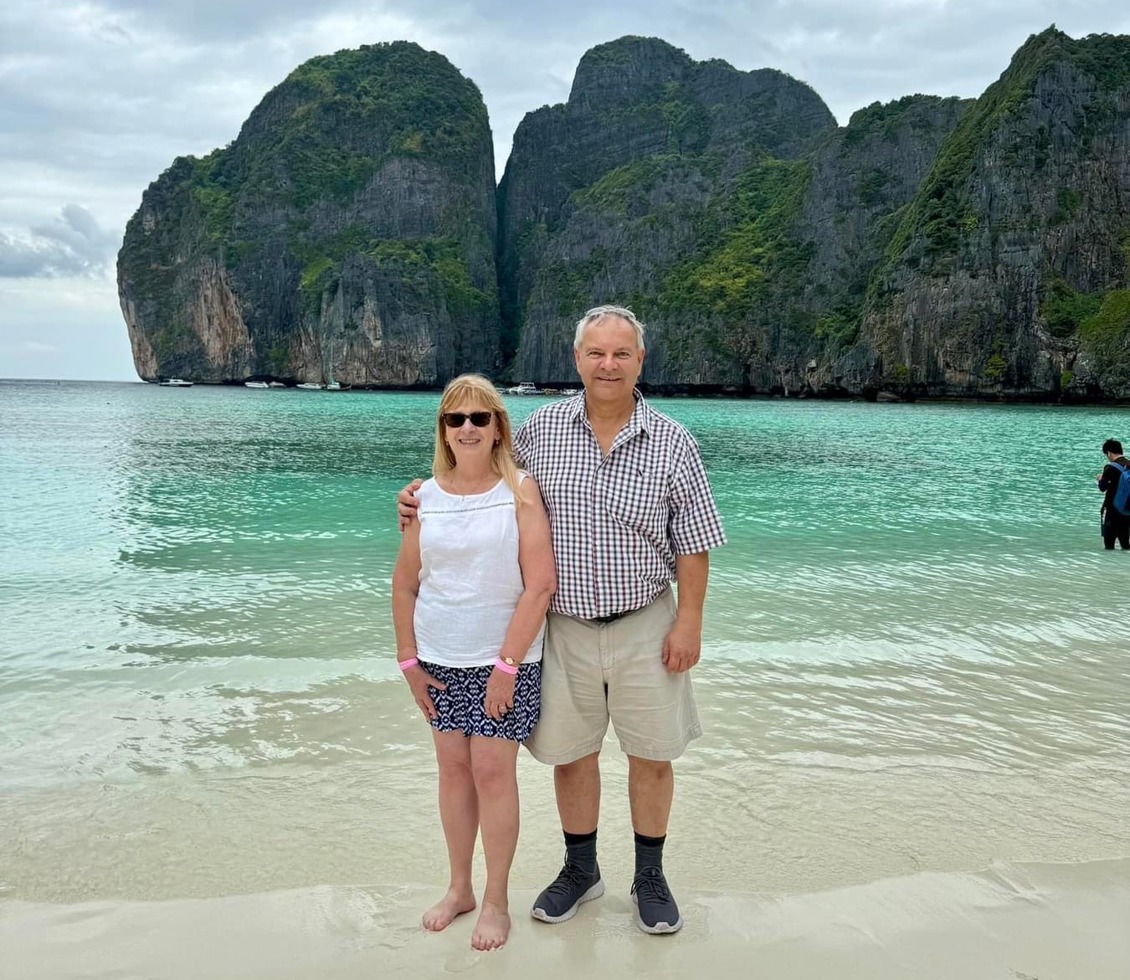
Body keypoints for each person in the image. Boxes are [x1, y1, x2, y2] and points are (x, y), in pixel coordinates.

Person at [399, 306, 726, 935]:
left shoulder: (674, 442)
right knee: (572, 755)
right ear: (577, 360)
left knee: (652, 756)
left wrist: (690, 624)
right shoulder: (543, 432)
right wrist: (414, 504)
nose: (608, 365)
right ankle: (581, 870)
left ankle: (650, 877)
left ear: (639, 362)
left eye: (621, 354)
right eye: (596, 354)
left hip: (644, 621)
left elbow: (695, 543)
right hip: (564, 627)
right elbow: (477, 484)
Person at [391, 373, 556, 951]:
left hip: (503, 662)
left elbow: (540, 586)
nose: (466, 428)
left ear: (496, 428)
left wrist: (507, 667)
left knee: (493, 774)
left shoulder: (520, 492)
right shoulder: (423, 499)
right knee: (453, 773)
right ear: (443, 428)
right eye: (454, 419)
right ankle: (459, 887)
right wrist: (408, 662)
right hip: (437, 659)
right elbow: (406, 584)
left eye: (478, 419)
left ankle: (495, 899)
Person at [1097, 437, 1130, 550]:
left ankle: (1108, 565)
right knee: (1125, 544)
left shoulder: (1110, 467)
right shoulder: (1129, 464)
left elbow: (1102, 488)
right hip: (1127, 509)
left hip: (1112, 509)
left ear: (1109, 453)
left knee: (1109, 545)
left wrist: (1101, 479)